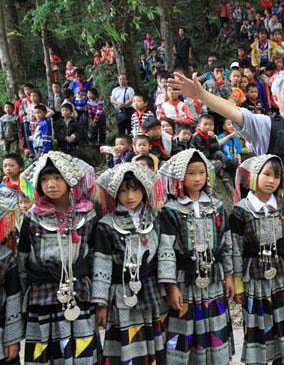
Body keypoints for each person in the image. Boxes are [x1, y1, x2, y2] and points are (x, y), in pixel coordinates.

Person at [18, 151, 99, 364]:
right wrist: (22, 299)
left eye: (57, 177)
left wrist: (100, 298)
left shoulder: (87, 215)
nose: (50, 184)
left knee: (81, 349)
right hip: (42, 294)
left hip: (79, 291)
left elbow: (95, 256)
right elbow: (22, 260)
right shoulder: (32, 217)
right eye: (44, 179)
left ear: (69, 179)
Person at [158, 149, 234, 365]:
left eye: (202, 172)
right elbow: (166, 251)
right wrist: (171, 285)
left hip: (214, 280)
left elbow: (226, 243)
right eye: (191, 173)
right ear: (180, 176)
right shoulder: (170, 210)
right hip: (185, 281)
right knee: (184, 330)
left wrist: (229, 274)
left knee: (213, 327)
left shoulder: (216, 207)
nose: (198, 178)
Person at [93, 163, 168, 364]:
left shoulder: (155, 219)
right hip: (120, 293)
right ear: (116, 193)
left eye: (135, 189)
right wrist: (100, 303)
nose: (130, 196)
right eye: (124, 191)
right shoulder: (107, 224)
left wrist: (167, 288)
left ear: (144, 190)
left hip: (149, 289)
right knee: (123, 343)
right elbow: (102, 264)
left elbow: (163, 254)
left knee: (151, 340)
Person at [229, 155, 284, 365]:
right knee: (258, 321)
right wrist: (238, 283)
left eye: (276, 176)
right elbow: (236, 249)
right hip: (255, 276)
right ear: (254, 176)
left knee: (281, 320)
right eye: (266, 174)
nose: (271, 181)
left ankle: (282, 359)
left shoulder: (283, 206)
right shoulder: (241, 210)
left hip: (280, 274)